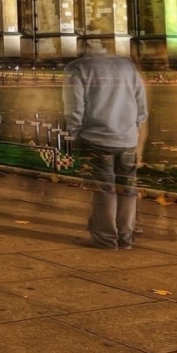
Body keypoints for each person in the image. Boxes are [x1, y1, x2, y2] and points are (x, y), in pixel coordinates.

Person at [61, 39, 148, 249]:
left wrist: (76, 132)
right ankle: (126, 237)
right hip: (126, 138)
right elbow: (140, 102)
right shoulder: (127, 66)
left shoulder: (77, 68)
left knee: (103, 190)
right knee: (128, 189)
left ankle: (105, 238)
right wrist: (133, 126)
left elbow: (74, 106)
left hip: (95, 138)